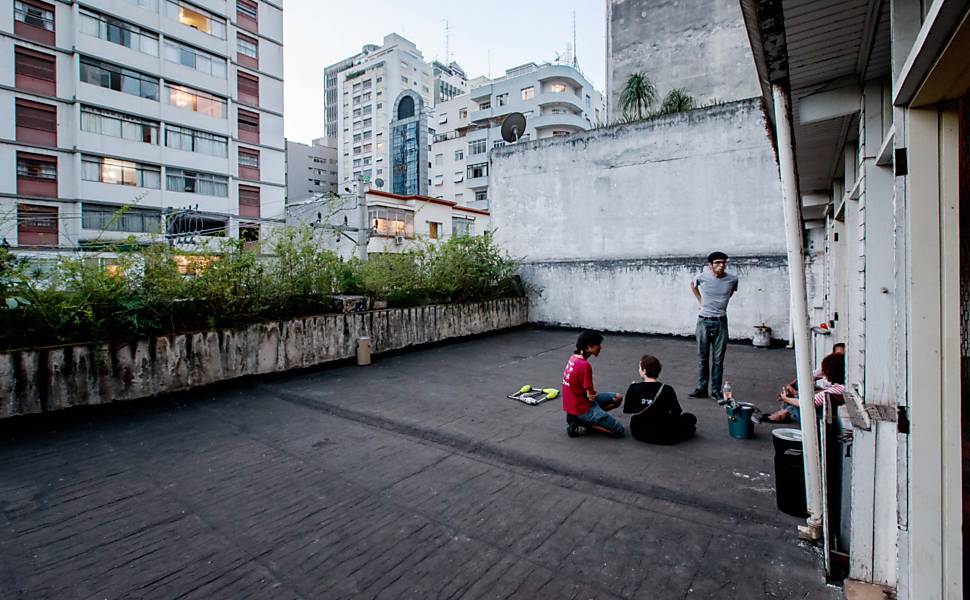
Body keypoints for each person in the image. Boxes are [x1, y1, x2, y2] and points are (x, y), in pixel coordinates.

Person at [688, 251, 739, 402]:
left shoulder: (732, 279)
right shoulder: (702, 277)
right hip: (703, 321)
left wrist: (721, 304)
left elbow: (730, 293)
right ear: (710, 265)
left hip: (721, 322)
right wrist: (701, 300)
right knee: (703, 359)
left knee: (718, 360)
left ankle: (715, 390)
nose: (721, 265)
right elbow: (692, 285)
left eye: (723, 262)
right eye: (717, 262)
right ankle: (702, 388)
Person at [562, 330, 625, 438]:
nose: (600, 347)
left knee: (617, 398)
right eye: (598, 345)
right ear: (588, 347)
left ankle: (589, 418)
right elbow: (591, 397)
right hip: (583, 407)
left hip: (575, 404)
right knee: (619, 430)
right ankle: (584, 422)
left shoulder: (573, 358)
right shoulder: (584, 366)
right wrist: (592, 395)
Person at [623, 355, 696, 445]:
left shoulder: (634, 388)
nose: (639, 370)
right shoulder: (667, 389)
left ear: (644, 371)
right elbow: (676, 412)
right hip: (663, 434)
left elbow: (628, 409)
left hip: (639, 431)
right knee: (690, 418)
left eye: (639, 368)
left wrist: (633, 390)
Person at [765, 352, 846, 423]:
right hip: (826, 412)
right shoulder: (841, 386)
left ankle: (784, 413)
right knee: (799, 393)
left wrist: (785, 398)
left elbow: (805, 403)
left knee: (797, 402)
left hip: (819, 419)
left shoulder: (836, 389)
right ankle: (784, 412)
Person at [781, 342, 845, 398]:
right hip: (823, 393)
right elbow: (808, 376)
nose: (838, 357)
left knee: (794, 404)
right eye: (836, 354)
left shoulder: (841, 370)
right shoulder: (830, 367)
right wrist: (790, 385)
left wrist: (797, 394)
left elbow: (831, 392)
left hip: (829, 397)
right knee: (797, 385)